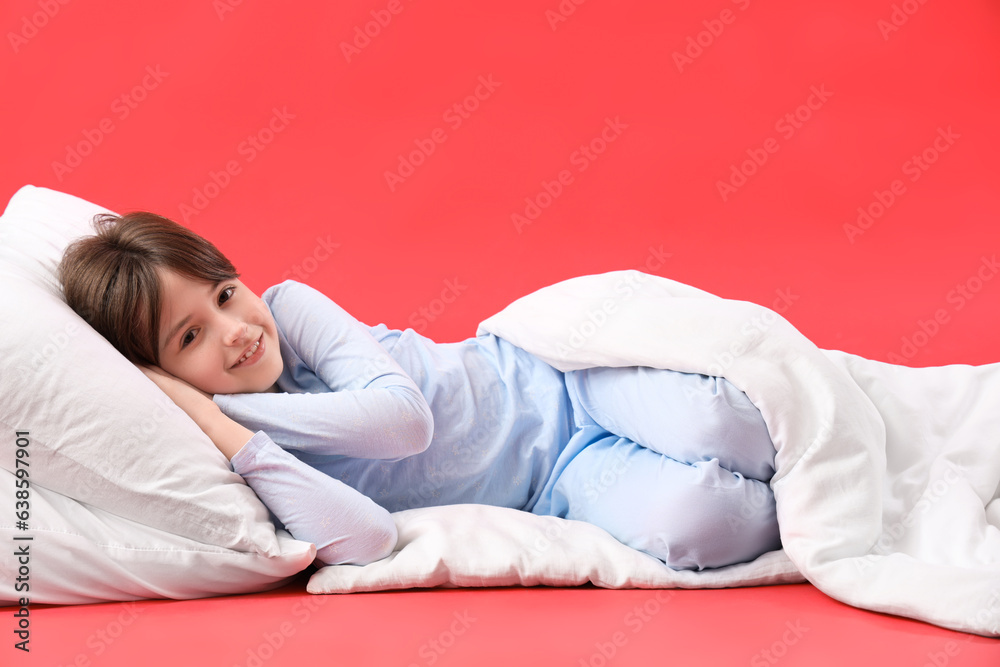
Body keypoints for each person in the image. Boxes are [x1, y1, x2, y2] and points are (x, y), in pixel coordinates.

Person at [58, 211, 782, 570]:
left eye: (223, 294)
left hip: (565, 384)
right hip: (557, 484)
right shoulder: (238, 455)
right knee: (706, 523)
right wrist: (220, 430)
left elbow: (402, 423)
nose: (235, 330)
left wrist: (220, 403)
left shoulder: (290, 308)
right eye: (190, 338)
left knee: (729, 422)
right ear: (158, 375)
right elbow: (368, 538)